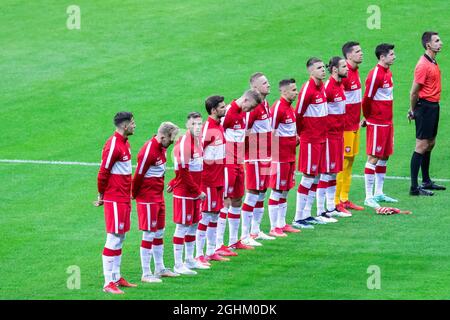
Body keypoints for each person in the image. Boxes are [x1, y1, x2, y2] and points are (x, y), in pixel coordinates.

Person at [132, 122, 180, 283]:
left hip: (158, 196)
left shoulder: (163, 148)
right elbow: (138, 175)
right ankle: (146, 273)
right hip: (147, 197)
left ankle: (160, 268)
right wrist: (134, 194)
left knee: (159, 231)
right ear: (162, 136)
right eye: (171, 139)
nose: (172, 142)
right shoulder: (148, 151)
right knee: (149, 233)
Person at [215, 89, 262, 253]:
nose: (250, 111)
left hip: (238, 163)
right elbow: (216, 134)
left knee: (237, 200)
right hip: (228, 162)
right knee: (225, 201)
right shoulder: (228, 112)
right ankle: (218, 244)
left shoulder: (243, 113)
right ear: (246, 100)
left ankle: (234, 241)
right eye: (251, 107)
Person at [95, 111, 137, 294]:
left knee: (120, 236)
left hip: (123, 197)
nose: (135, 125)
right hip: (114, 197)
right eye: (133, 123)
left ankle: (116, 276)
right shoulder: (113, 145)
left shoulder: (125, 143)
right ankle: (107, 283)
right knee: (113, 237)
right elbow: (103, 171)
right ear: (125, 125)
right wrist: (101, 194)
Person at [292, 58, 330, 229]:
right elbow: (298, 114)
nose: (323, 70)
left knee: (315, 176)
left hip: (321, 138)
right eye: (319, 68)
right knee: (308, 177)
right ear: (310, 71)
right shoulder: (307, 89)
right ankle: (298, 217)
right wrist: (301, 134)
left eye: (323, 67)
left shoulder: (322, 86)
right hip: (310, 139)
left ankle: (307, 213)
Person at [168, 112, 207, 275]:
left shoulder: (197, 141)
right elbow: (183, 172)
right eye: (194, 124)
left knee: (193, 225)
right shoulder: (185, 144)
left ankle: (189, 260)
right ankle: (178, 264)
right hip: (185, 193)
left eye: (200, 124)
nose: (197, 127)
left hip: (194, 192)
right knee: (182, 226)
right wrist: (197, 191)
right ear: (188, 125)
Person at [194, 95, 230, 264]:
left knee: (215, 215)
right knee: (206, 217)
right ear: (214, 110)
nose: (225, 109)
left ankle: (211, 250)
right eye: (222, 107)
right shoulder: (208, 128)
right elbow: (197, 152)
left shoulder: (219, 125)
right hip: (208, 180)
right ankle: (199, 254)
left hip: (219, 178)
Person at [408, 31, 445, 196]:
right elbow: (414, 92)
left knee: (430, 143)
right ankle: (414, 188)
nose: (441, 43)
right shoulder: (423, 65)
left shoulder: (432, 60)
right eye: (437, 41)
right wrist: (412, 110)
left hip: (433, 106)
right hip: (425, 107)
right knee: (421, 145)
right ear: (428, 45)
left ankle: (426, 180)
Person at [361, 43, 397, 208]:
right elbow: (367, 99)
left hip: (387, 121)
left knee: (384, 156)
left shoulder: (388, 72)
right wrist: (368, 118)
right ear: (382, 57)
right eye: (391, 54)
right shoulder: (375, 74)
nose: (394, 56)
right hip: (377, 122)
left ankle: (379, 192)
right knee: (374, 156)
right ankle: (368, 196)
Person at [242, 73, 276, 246]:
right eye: (264, 83)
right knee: (253, 193)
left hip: (266, 155)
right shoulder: (252, 108)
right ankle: (245, 234)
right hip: (255, 157)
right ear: (255, 88)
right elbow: (244, 132)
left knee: (262, 192)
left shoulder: (266, 104)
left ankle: (255, 231)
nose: (268, 85)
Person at [317, 57, 353, 219]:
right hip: (329, 136)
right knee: (326, 172)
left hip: (339, 135)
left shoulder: (340, 86)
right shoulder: (328, 88)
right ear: (335, 70)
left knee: (333, 172)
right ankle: (321, 210)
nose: (347, 69)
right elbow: (321, 113)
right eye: (344, 66)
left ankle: (331, 207)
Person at [268, 78, 302, 235]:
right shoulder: (278, 108)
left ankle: (282, 223)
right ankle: (274, 227)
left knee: (286, 190)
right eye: (293, 90)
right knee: (276, 191)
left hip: (290, 156)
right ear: (284, 91)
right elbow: (271, 133)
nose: (296, 92)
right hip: (279, 158)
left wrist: (295, 137)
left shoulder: (290, 108)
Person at [335, 42, 365, 213]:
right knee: (342, 162)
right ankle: (336, 201)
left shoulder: (355, 71)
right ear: (348, 56)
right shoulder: (344, 75)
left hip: (355, 125)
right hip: (345, 127)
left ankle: (344, 198)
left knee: (351, 160)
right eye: (357, 51)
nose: (361, 54)